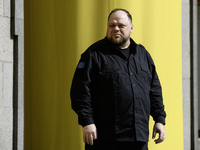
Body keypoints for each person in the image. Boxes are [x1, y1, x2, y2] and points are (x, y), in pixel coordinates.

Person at [70, 8, 166, 150]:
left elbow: (154, 89)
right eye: (111, 25)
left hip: (137, 137)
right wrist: (87, 122)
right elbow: (80, 92)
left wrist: (159, 119)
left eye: (121, 26)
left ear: (131, 28)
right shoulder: (93, 55)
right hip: (105, 138)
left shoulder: (143, 55)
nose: (116, 29)